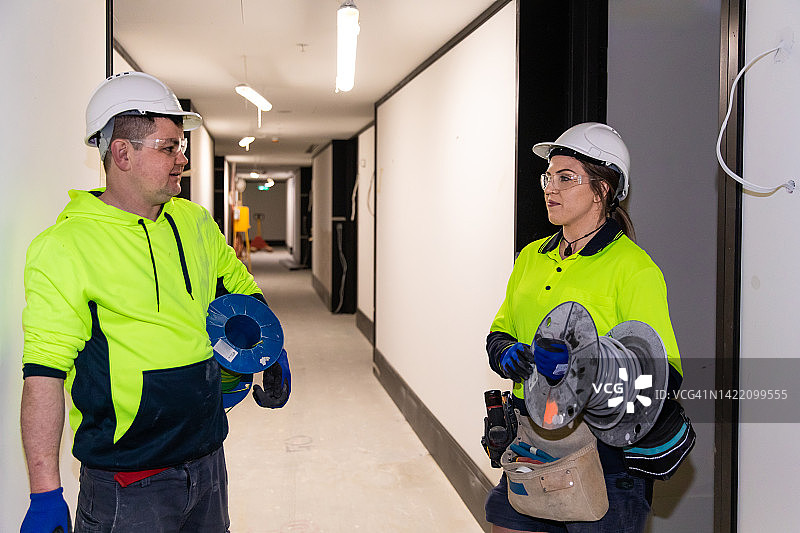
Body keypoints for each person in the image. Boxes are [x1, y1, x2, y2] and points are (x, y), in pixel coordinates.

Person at [20, 71, 289, 533]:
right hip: (128, 483)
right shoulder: (65, 247)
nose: (182, 158)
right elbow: (44, 374)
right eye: (169, 147)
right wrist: (45, 492)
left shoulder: (194, 222)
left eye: (181, 146)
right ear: (122, 153)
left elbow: (238, 287)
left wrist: (265, 345)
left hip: (207, 460)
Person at [484, 122, 683, 533]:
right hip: (530, 446)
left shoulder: (633, 268)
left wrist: (584, 373)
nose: (550, 188)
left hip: (604, 463)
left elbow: (664, 376)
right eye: (549, 177)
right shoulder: (531, 258)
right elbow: (499, 331)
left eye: (566, 177)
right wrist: (506, 353)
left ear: (602, 189)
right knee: (500, 519)